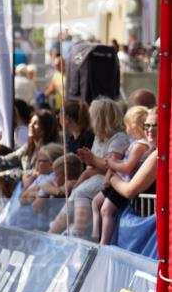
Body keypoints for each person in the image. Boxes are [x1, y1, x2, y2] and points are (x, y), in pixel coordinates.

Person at [50, 97, 128, 238]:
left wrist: (92, 160)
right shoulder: (99, 137)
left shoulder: (119, 138)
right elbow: (96, 165)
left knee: (81, 192)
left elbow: (111, 166)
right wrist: (89, 161)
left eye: (92, 116)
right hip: (95, 177)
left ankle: (78, 233)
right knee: (74, 195)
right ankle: (53, 232)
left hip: (109, 181)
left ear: (100, 118)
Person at [92, 105, 151, 244]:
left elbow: (127, 167)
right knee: (96, 202)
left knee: (106, 210)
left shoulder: (140, 145)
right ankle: (95, 235)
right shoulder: (135, 143)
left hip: (124, 181)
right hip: (119, 179)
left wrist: (112, 163)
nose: (126, 129)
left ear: (134, 126)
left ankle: (103, 243)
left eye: (127, 125)